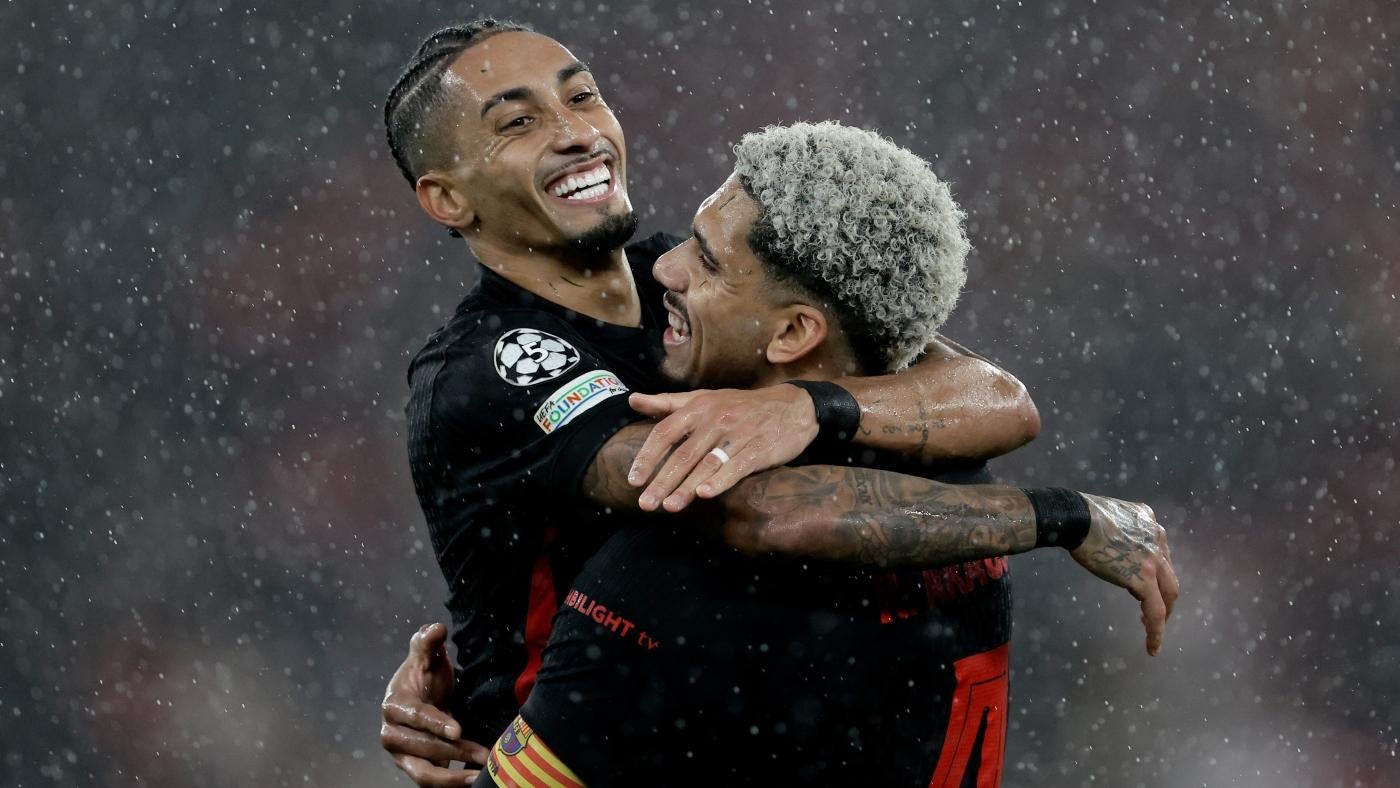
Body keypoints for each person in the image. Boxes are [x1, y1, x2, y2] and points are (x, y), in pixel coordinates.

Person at [376, 20, 1176, 787]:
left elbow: (996, 394)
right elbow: (742, 506)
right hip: (583, 751)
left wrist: (812, 406)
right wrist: (1064, 518)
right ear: (449, 199)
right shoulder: (492, 366)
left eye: (581, 97)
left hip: (728, 730)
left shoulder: (692, 282)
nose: (575, 130)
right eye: (516, 121)